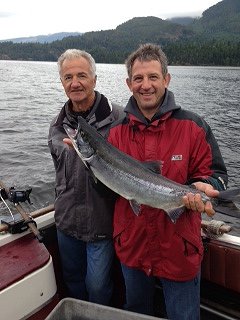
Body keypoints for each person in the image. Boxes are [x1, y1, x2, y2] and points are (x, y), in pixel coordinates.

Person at [107, 43, 228, 319]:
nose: (145, 85)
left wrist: (205, 185)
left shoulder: (193, 126)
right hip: (133, 247)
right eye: (138, 78)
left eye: (152, 77)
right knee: (136, 314)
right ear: (128, 83)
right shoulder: (115, 133)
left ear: (166, 79)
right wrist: (89, 164)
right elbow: (104, 188)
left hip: (179, 248)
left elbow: (218, 175)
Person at [48, 49, 123, 305]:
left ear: (94, 78)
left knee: (98, 287)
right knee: (73, 282)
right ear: (62, 82)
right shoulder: (57, 124)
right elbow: (59, 171)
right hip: (66, 223)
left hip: (102, 225)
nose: (75, 82)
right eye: (68, 77)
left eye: (82, 75)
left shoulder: (119, 119)